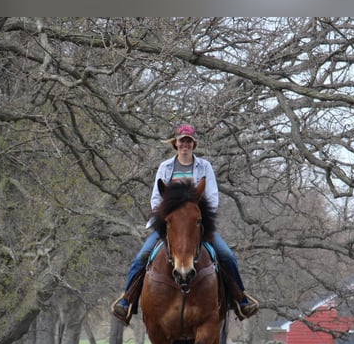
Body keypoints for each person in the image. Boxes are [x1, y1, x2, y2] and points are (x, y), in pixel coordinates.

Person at [111, 123, 259, 325]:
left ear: (193, 144)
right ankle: (127, 301)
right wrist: (164, 216)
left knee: (226, 255)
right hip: (170, 225)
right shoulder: (165, 167)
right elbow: (156, 198)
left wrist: (201, 218)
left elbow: (212, 197)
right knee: (142, 257)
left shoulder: (204, 167)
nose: (185, 145)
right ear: (176, 143)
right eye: (182, 141)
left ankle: (240, 300)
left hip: (197, 225)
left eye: (189, 141)